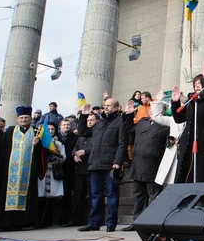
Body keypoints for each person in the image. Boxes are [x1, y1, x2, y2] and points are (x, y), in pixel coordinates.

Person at [76, 99, 127, 232]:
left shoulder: (119, 121)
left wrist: (118, 161)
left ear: (116, 108)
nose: (105, 108)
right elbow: (82, 132)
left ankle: (111, 224)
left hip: (110, 164)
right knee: (95, 195)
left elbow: (122, 143)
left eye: (108, 106)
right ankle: (94, 223)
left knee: (111, 195)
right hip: (95, 163)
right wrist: (83, 116)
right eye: (104, 106)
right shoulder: (100, 123)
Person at [120, 97, 170, 232]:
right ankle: (137, 222)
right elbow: (128, 128)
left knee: (154, 196)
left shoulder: (166, 125)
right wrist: (129, 114)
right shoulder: (142, 122)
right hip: (138, 165)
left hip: (153, 166)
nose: (153, 111)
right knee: (138, 197)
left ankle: (152, 223)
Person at [171, 61, 204, 183]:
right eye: (195, 84)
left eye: (200, 83)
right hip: (189, 144)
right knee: (186, 175)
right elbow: (179, 119)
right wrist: (175, 102)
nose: (197, 86)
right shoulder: (192, 103)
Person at [0, 106, 41, 230]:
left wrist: (38, 145)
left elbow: (42, 153)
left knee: (28, 195)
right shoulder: (10, 131)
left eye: (26, 117)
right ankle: (5, 223)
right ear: (17, 119)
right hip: (10, 170)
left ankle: (23, 222)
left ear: (31, 118)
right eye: (21, 118)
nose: (24, 120)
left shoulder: (36, 131)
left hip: (28, 170)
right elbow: (3, 149)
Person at [65, 112, 98, 227]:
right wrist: (75, 155)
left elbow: (96, 147)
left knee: (93, 195)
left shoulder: (97, 133)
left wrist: (85, 152)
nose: (89, 122)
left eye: (92, 120)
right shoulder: (82, 135)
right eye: (88, 120)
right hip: (79, 169)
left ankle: (92, 220)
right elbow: (75, 147)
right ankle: (75, 219)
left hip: (91, 168)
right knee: (77, 196)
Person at [151, 92, 185, 186]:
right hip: (173, 151)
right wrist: (158, 101)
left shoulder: (192, 118)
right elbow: (157, 117)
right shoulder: (173, 119)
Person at [37, 122, 66, 228]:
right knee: (40, 196)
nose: (50, 131)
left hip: (53, 172)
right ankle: (38, 221)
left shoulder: (58, 143)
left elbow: (63, 158)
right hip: (42, 171)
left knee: (52, 198)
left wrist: (56, 154)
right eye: (48, 129)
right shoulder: (39, 142)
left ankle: (48, 220)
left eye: (52, 129)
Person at [57, 119, 78, 226]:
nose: (66, 126)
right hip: (56, 168)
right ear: (60, 126)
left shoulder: (75, 138)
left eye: (68, 125)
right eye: (64, 125)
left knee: (67, 194)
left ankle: (65, 218)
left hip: (69, 169)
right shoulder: (56, 137)